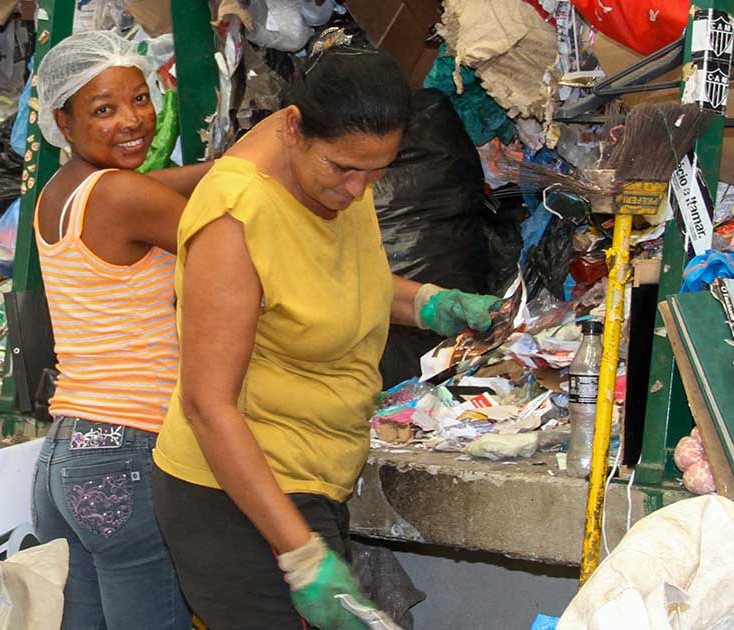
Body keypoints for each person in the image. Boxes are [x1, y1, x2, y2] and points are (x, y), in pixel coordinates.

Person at [152, 33, 499, 630]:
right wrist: (303, 555)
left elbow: (342, 284)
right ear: (293, 128)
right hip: (236, 494)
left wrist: (432, 304)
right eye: (343, 169)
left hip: (316, 477)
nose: (358, 189)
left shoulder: (341, 178)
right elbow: (207, 406)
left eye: (376, 172)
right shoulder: (235, 217)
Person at [30, 29, 209, 630]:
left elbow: (177, 183)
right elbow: (238, 252)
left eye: (140, 98)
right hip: (127, 452)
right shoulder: (123, 195)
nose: (133, 120)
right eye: (103, 109)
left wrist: (238, 163)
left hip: (66, 459)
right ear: (64, 119)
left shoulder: (60, 194)